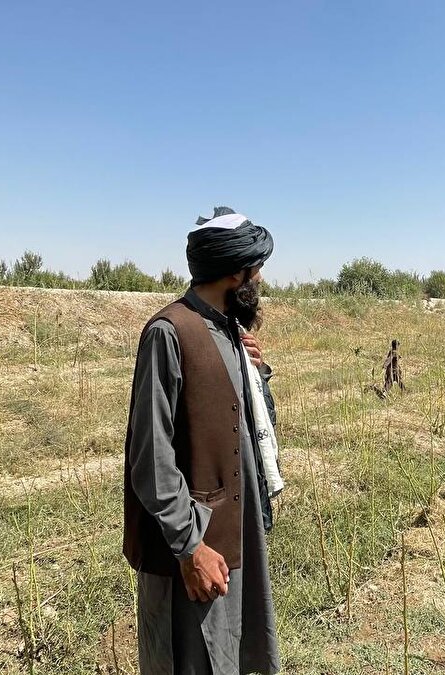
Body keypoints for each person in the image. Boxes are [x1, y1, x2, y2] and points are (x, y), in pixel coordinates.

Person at [123, 207, 281, 675]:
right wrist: (190, 547)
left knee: (228, 654)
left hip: (232, 533)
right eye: (258, 271)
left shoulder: (230, 331)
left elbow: (245, 427)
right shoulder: (168, 333)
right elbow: (151, 458)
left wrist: (256, 373)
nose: (262, 282)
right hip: (191, 547)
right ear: (237, 273)